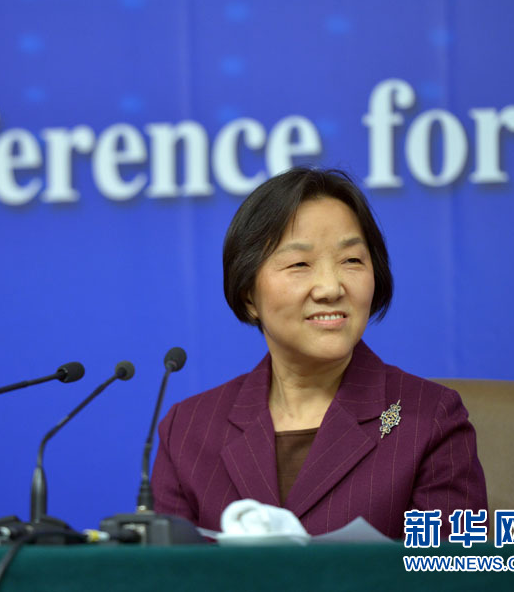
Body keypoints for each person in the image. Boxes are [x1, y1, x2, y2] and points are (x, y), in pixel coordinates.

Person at [151, 167, 487, 538]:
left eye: (352, 260)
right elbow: (163, 568)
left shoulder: (429, 418)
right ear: (249, 296)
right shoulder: (189, 429)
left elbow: (456, 565)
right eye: (300, 264)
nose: (330, 288)